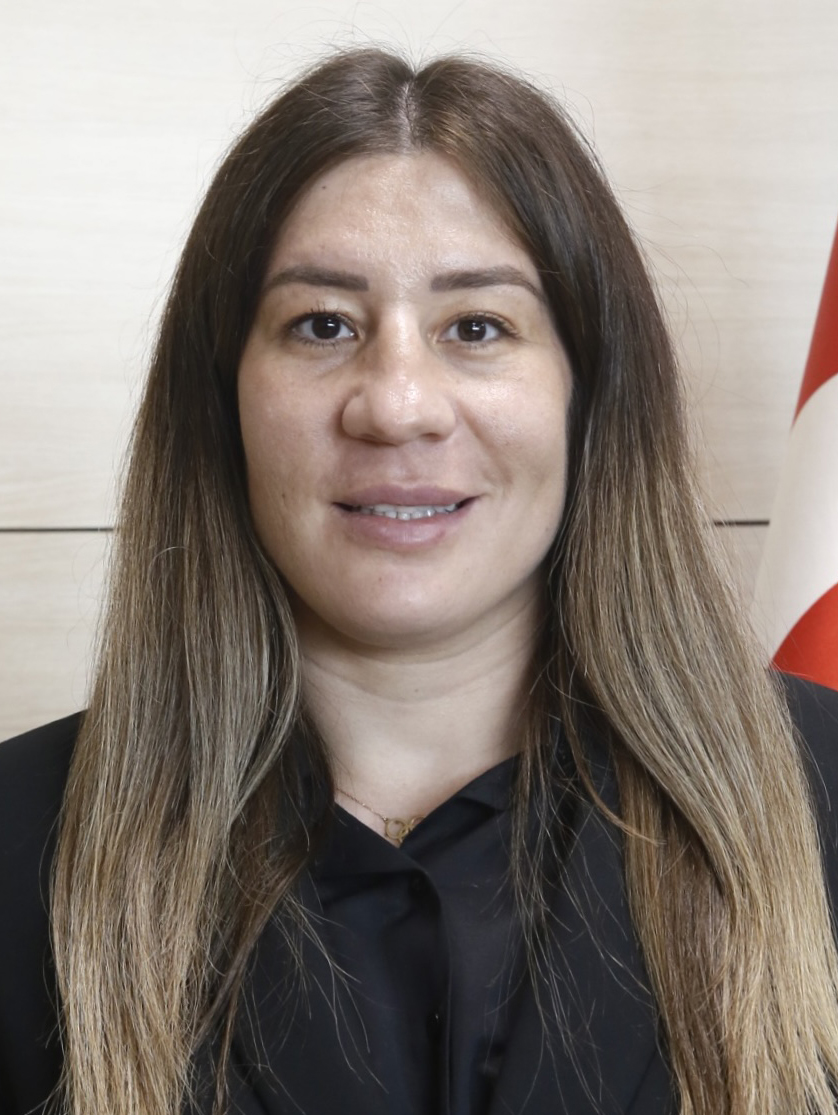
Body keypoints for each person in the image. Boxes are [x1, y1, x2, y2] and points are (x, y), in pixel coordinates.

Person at [2, 46, 838, 1115]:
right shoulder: (18, 848)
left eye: (476, 327)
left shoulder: (821, 801)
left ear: (589, 394)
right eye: (322, 325)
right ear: (224, 400)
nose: (396, 404)